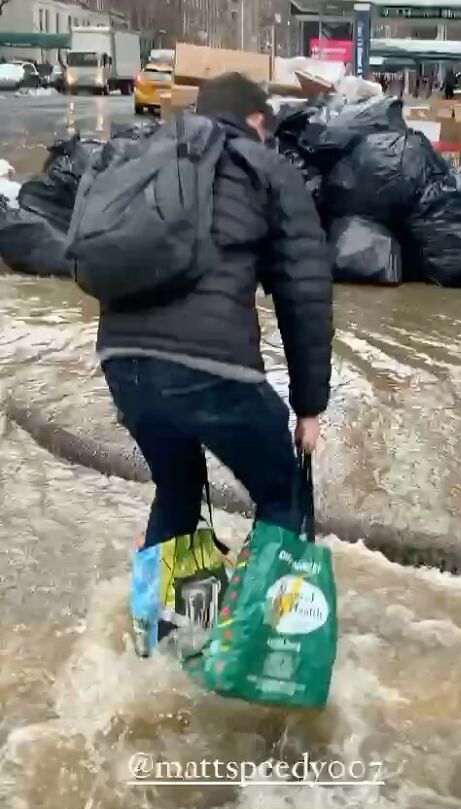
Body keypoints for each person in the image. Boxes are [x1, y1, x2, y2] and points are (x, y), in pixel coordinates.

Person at [98, 73, 333, 549]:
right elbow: (304, 293)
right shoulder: (266, 166)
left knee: (177, 491)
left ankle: (160, 600)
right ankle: (261, 600)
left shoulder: (148, 157)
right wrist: (309, 408)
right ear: (255, 120)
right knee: (282, 495)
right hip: (212, 369)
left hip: (122, 363)